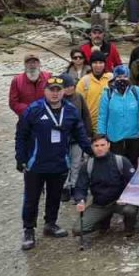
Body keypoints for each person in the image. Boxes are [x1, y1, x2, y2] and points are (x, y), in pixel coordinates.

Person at [16, 76, 91, 250]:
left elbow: (81, 134)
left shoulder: (71, 111)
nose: (55, 94)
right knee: (31, 198)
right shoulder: (34, 110)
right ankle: (28, 230)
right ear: (45, 92)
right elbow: (21, 135)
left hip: (59, 163)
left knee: (55, 196)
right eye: (52, 90)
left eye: (58, 90)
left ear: (64, 91)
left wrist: (92, 152)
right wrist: (20, 158)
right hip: (36, 164)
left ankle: (50, 223)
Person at [72, 136, 139, 248]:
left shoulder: (121, 161)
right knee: (78, 229)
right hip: (100, 204)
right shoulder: (87, 165)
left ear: (108, 145)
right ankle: (102, 222)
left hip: (120, 202)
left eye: (102, 145)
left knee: (130, 210)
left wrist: (126, 197)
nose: (99, 148)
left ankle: (129, 228)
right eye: (96, 146)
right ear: (92, 147)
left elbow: (134, 183)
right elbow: (80, 187)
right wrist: (80, 200)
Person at [96, 65, 139, 167]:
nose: (122, 79)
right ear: (114, 78)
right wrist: (101, 135)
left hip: (134, 136)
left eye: (124, 77)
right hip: (115, 137)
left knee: (132, 164)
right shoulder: (107, 94)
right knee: (116, 164)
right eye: (119, 77)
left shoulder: (136, 91)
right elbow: (102, 116)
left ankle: (131, 180)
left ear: (129, 77)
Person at [59, 72, 93, 201]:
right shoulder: (57, 100)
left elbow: (86, 116)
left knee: (76, 163)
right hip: (62, 140)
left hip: (77, 138)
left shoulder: (79, 97)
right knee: (63, 164)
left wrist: (88, 134)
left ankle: (74, 186)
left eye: (71, 85)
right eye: (66, 86)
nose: (69, 88)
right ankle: (64, 187)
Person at [75, 52, 113, 133]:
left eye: (101, 62)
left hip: (111, 122)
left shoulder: (111, 78)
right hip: (91, 124)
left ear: (104, 64)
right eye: (95, 62)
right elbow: (77, 104)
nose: (98, 65)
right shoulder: (84, 81)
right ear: (91, 64)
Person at [9, 53, 51, 118]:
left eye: (35, 62)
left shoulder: (48, 77)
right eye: (29, 63)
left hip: (46, 115)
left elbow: (54, 96)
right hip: (26, 117)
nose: (32, 65)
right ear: (25, 65)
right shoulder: (16, 81)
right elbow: (13, 103)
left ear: (39, 64)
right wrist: (29, 109)